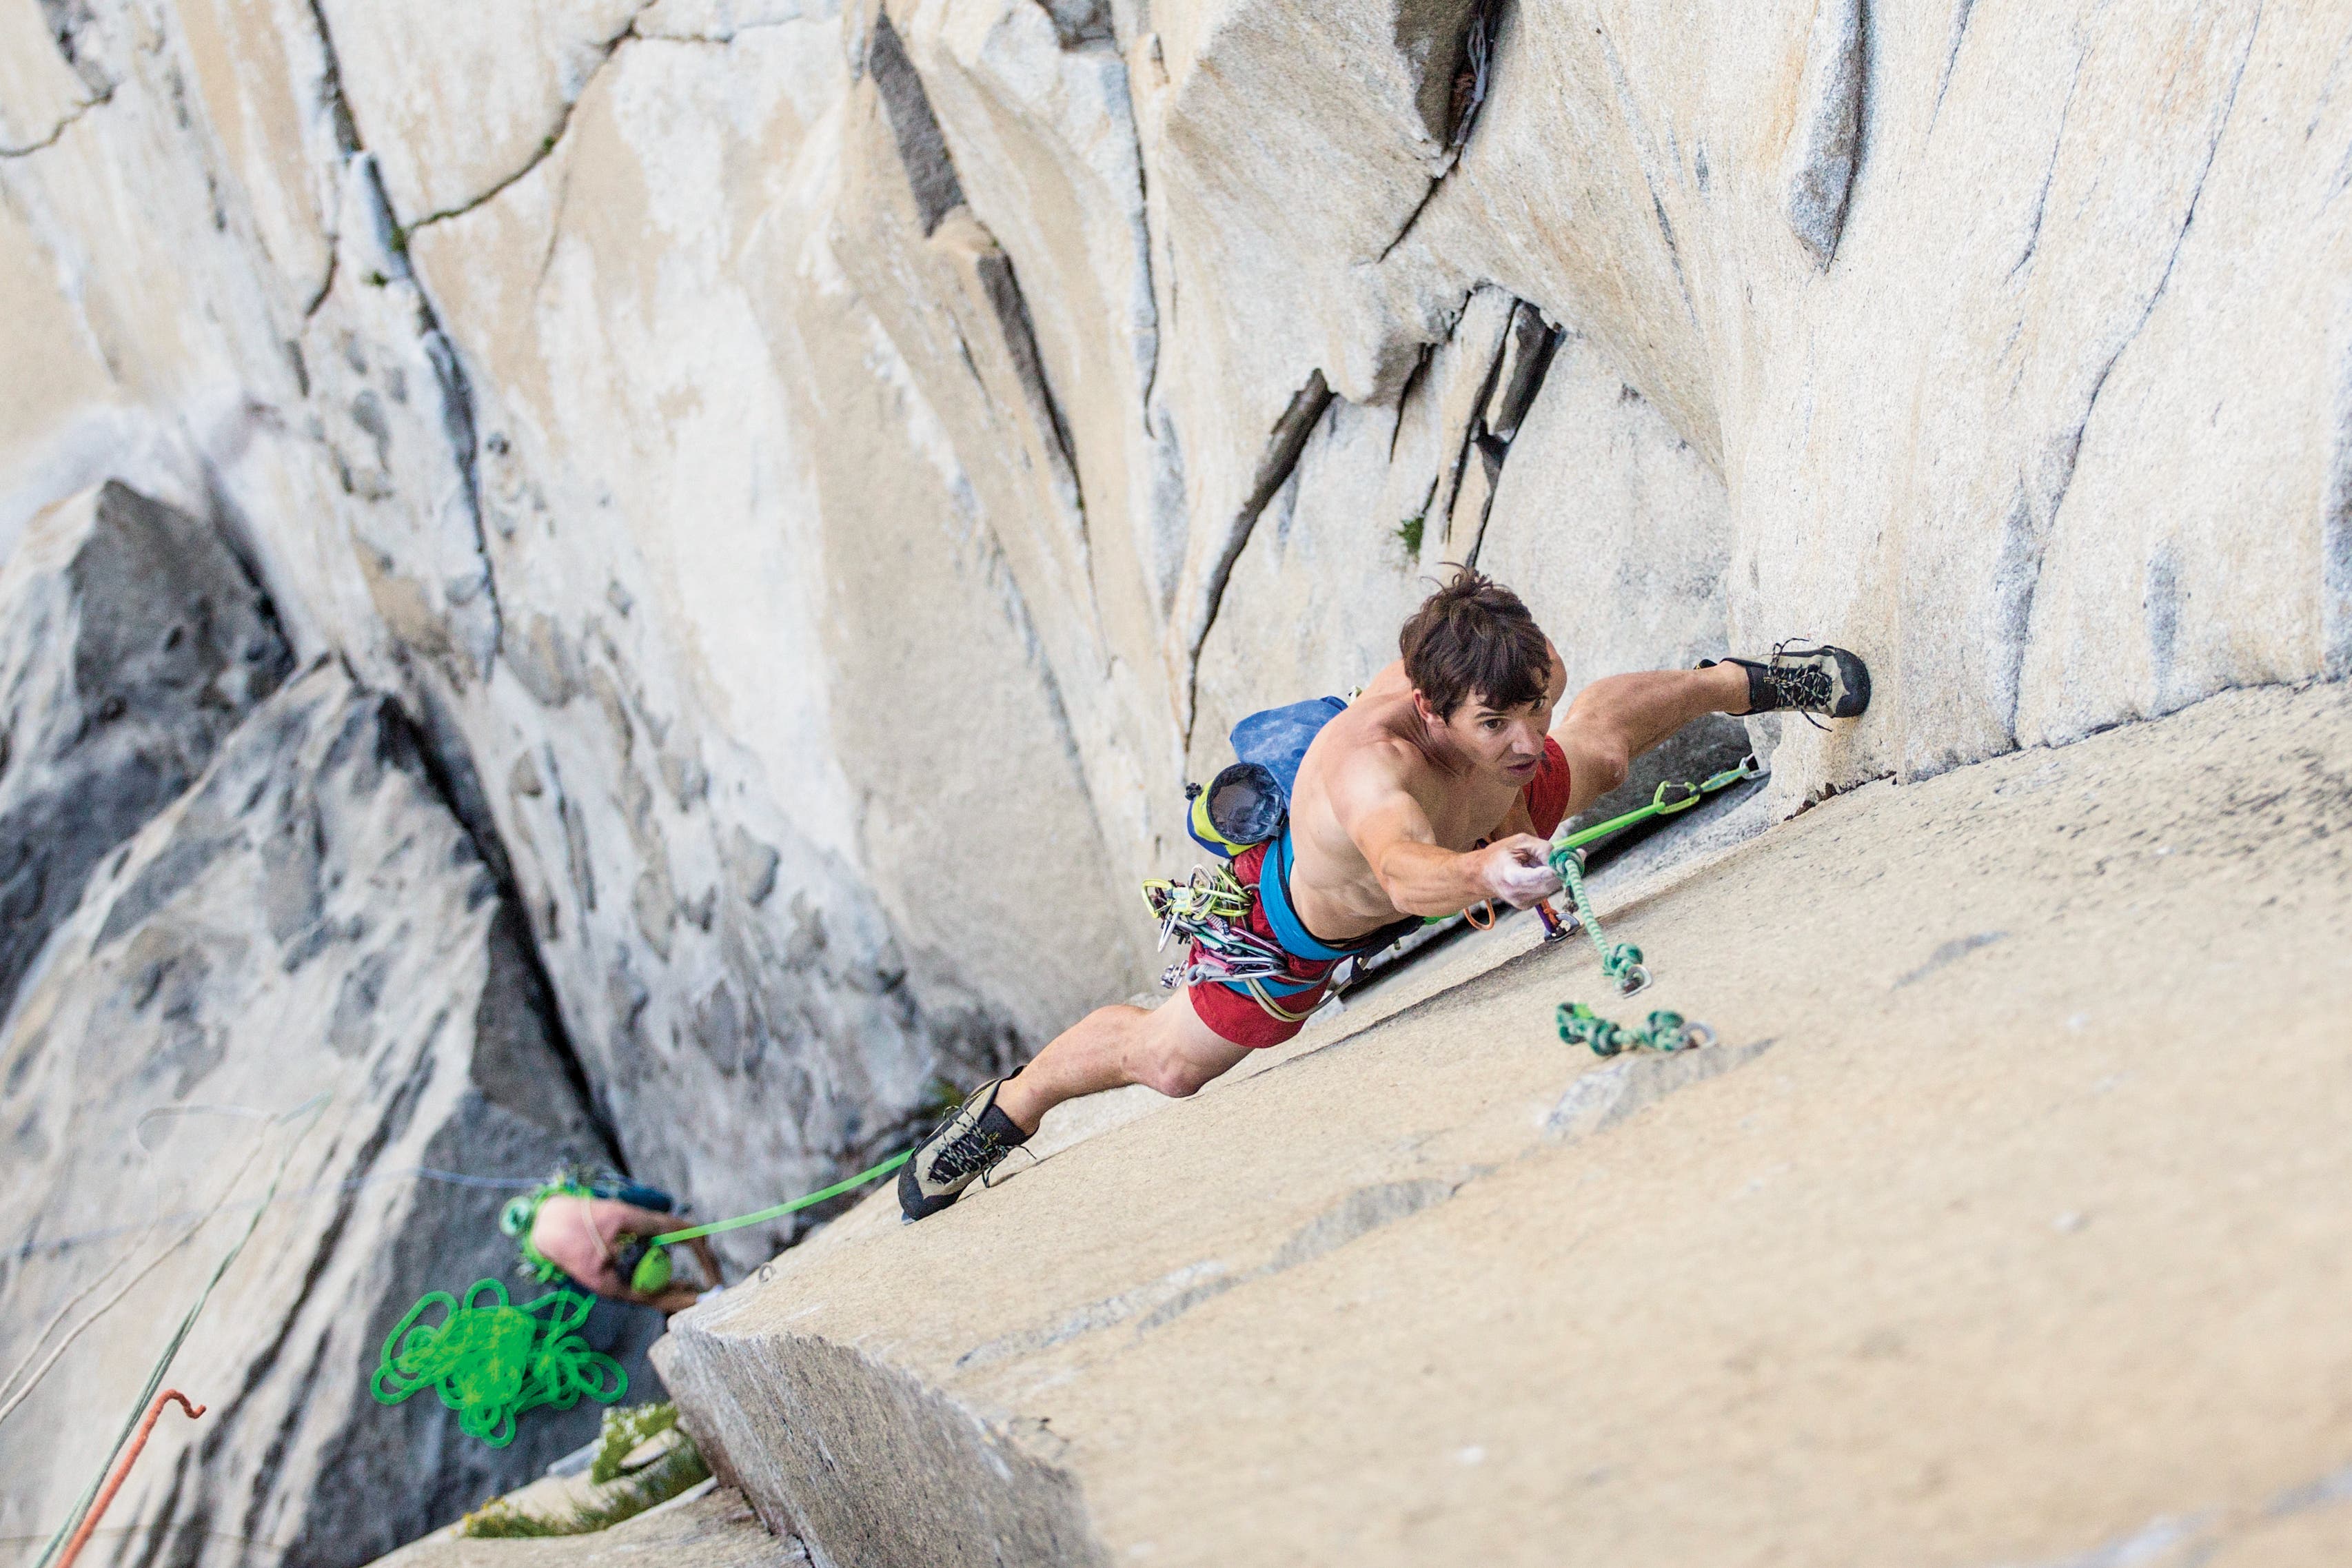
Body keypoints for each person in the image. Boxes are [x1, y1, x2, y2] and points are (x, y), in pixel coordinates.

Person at [899, 570, 1871, 1221]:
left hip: (1477, 821)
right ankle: (1009, 1108)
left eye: (1534, 703)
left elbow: (1548, 731)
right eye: (1498, 719)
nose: (1530, 734)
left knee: (1604, 749)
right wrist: (1487, 872)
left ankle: (1751, 677)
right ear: (1427, 705)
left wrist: (1508, 777)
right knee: (1168, 1064)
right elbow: (1405, 868)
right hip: (1296, 928)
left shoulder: (1512, 687)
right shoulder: (1372, 771)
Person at [503, 1185, 724, 1315]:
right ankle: (716, 1283)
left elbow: (567, 1284)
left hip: (593, 1266)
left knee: (644, 1298)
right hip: (610, 1223)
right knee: (684, 1232)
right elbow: (606, 1192)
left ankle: (702, 1300)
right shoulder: (552, 1195)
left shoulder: (534, 1249)